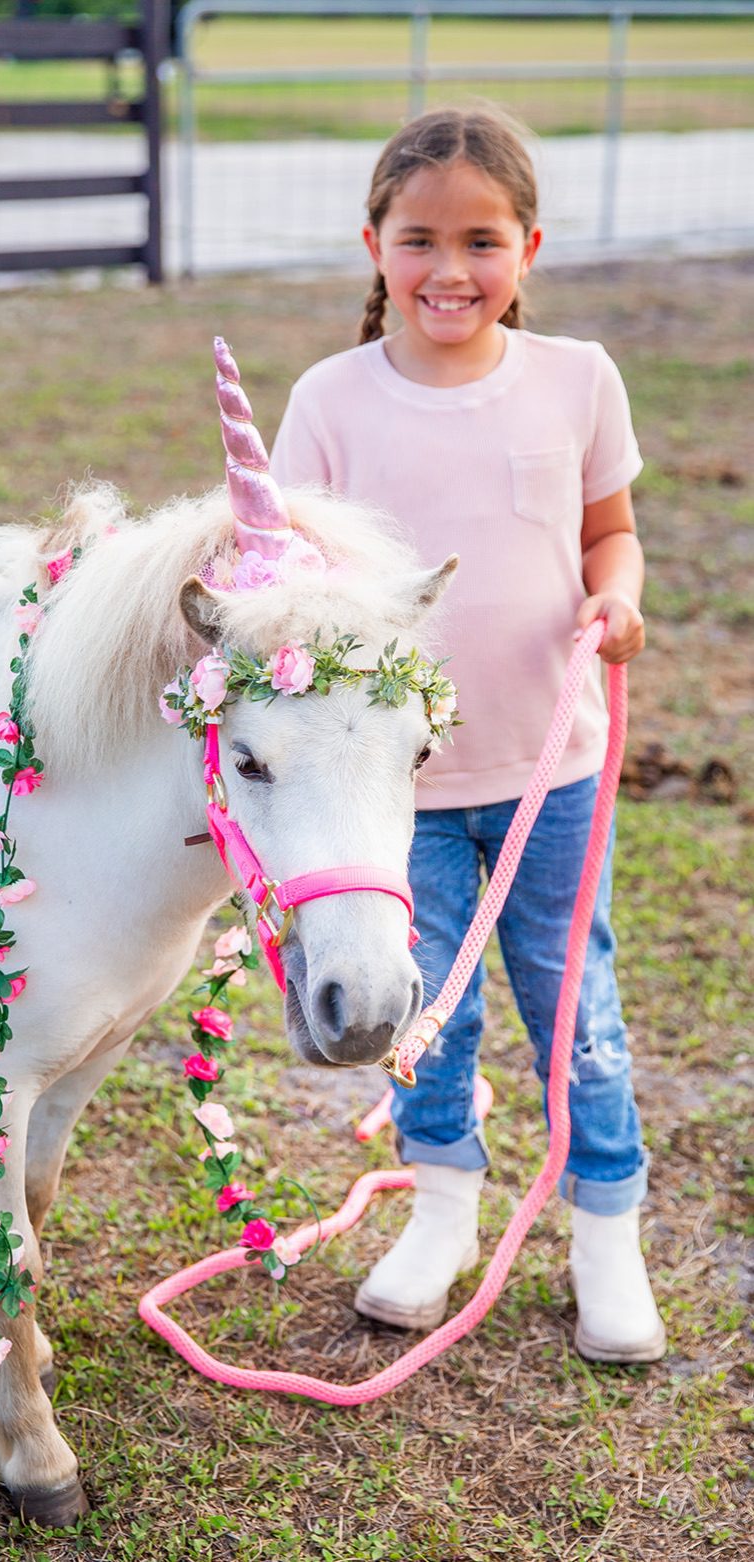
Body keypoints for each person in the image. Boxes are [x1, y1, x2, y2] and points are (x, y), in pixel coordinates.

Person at [271, 107, 664, 1364]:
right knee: (421, 1008)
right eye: (421, 239)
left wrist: (620, 593)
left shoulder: (578, 377)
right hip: (396, 793)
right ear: (374, 245)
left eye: (482, 241)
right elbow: (288, 579)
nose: (451, 270)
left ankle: (607, 1230)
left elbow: (610, 528)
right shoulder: (331, 400)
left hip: (553, 764)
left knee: (572, 1009)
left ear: (529, 248)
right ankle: (439, 1208)